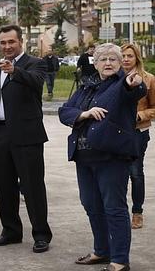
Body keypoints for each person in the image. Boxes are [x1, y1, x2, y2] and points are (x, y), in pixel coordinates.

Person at [58, 43, 145, 271]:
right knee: (91, 205)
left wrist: (132, 83)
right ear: (95, 64)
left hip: (112, 158)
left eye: (113, 59)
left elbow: (135, 89)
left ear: (120, 64)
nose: (108, 63)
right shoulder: (86, 88)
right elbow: (64, 111)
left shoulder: (122, 84)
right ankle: (101, 251)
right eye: (103, 59)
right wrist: (83, 114)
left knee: (114, 207)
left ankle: (119, 260)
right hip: (84, 157)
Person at [0, 25, 53, 253]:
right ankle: (11, 231)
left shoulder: (35, 63)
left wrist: (15, 71)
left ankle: (41, 234)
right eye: (3, 43)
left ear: (21, 42)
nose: (7, 46)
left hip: (26, 136)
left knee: (32, 187)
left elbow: (36, 83)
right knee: (4, 186)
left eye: (11, 42)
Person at [121, 43, 155, 229]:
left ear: (137, 58)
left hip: (138, 133)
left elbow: (154, 108)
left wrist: (140, 115)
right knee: (117, 173)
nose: (126, 59)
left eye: (129, 56)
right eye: (123, 56)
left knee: (135, 172)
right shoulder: (114, 79)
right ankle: (118, 212)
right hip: (116, 133)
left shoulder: (148, 79)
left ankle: (137, 212)